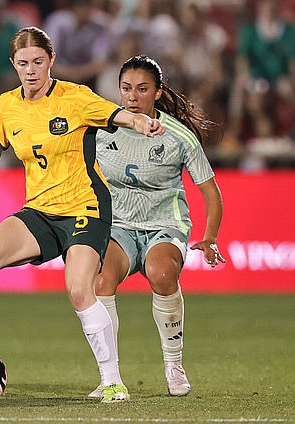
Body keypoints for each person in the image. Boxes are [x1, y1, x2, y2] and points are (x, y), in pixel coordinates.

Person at [0, 26, 165, 403]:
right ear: (13, 64)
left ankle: (113, 381)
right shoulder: (7, 105)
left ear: (51, 61)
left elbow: (120, 116)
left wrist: (142, 122)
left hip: (84, 209)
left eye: (39, 62)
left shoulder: (75, 98)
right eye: (23, 63)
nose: (31, 70)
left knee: (79, 289)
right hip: (40, 211)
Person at [89, 55, 225, 398]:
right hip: (118, 224)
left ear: (158, 93)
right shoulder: (102, 129)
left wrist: (209, 237)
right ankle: (110, 377)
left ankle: (174, 365)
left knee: (161, 274)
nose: (132, 96)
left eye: (142, 89)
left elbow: (212, 193)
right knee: (101, 281)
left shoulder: (179, 137)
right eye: (126, 88)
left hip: (165, 222)